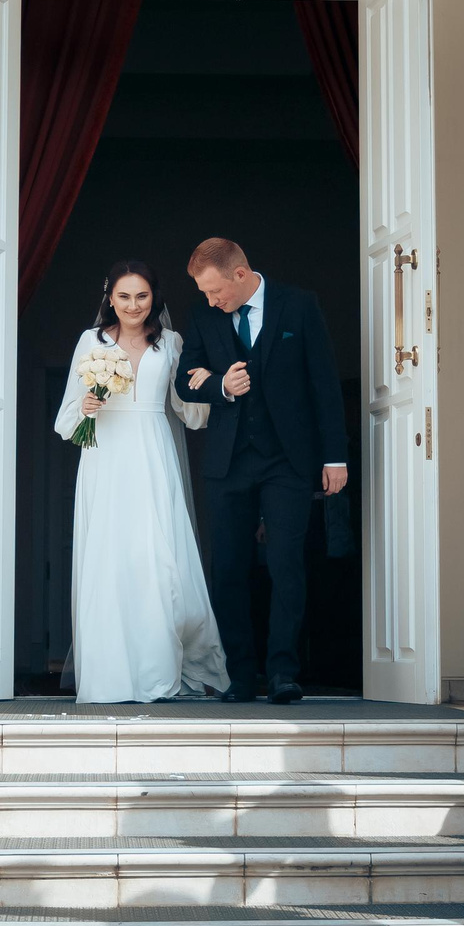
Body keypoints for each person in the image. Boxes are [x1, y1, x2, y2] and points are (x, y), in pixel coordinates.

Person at [175, 238, 347, 702]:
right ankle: (240, 676)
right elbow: (184, 379)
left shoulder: (299, 306)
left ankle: (283, 673)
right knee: (228, 568)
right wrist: (219, 385)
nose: (211, 301)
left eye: (216, 291)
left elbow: (324, 382)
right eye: (204, 294)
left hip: (288, 460)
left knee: (285, 564)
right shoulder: (204, 316)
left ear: (240, 273)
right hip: (228, 462)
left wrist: (335, 456)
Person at [57, 261, 230, 703]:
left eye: (142, 296)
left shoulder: (171, 342)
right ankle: (110, 672)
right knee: (110, 558)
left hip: (153, 452)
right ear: (109, 298)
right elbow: (68, 419)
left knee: (158, 557)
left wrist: (214, 385)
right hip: (106, 458)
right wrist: (87, 409)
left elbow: (189, 408)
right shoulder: (89, 342)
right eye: (124, 296)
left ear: (155, 298)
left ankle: (159, 667)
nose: (133, 306)